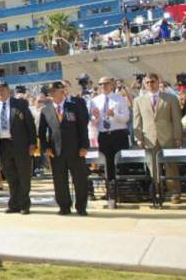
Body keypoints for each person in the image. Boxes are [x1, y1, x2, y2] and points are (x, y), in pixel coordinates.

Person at [39, 82, 90, 216]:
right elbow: (42, 132)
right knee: (60, 181)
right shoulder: (45, 110)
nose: (52, 94)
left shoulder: (74, 106)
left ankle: (81, 207)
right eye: (50, 92)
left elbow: (82, 128)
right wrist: (46, 148)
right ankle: (64, 206)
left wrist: (84, 146)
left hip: (75, 150)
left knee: (80, 180)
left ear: (62, 92)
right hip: (56, 151)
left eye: (54, 91)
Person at [0, 81, 37, 215]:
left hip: (20, 144)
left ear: (8, 90)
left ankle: (25, 205)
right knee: (11, 177)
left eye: (2, 89)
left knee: (24, 175)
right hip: (3, 146)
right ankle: (14, 204)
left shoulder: (20, 104)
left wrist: (33, 143)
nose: (0, 92)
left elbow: (30, 124)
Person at [133, 73, 183, 204]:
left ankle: (174, 193)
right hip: (149, 138)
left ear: (158, 81)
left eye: (153, 81)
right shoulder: (138, 100)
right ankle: (157, 192)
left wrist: (178, 137)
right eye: (147, 82)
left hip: (168, 137)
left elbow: (176, 119)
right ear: (144, 84)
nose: (150, 84)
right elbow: (137, 121)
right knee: (153, 167)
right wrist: (138, 138)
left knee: (171, 165)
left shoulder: (170, 98)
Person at [88, 76, 130, 205]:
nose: (103, 86)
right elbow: (93, 122)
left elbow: (126, 118)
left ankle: (123, 192)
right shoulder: (95, 101)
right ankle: (110, 193)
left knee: (122, 165)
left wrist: (114, 115)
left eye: (106, 84)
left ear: (111, 85)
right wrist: (95, 118)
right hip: (104, 135)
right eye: (100, 84)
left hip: (118, 134)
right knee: (107, 165)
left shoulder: (119, 98)